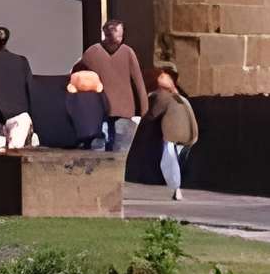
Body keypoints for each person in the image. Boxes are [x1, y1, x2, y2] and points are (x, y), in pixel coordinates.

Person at [79, 19, 148, 158]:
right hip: (99, 107)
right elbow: (78, 75)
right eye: (113, 35)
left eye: (120, 35)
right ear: (105, 34)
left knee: (120, 149)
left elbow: (138, 81)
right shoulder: (92, 52)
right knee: (99, 147)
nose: (117, 39)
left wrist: (145, 108)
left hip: (123, 109)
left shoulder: (127, 52)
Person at [0, 25, 37, 152]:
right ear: (8, 39)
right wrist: (34, 121)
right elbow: (30, 89)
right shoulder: (21, 61)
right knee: (15, 157)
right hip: (18, 116)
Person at [150, 63, 198, 198]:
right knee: (175, 160)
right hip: (190, 134)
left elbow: (153, 114)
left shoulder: (164, 95)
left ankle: (176, 188)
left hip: (173, 133)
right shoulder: (180, 98)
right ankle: (176, 188)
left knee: (169, 161)